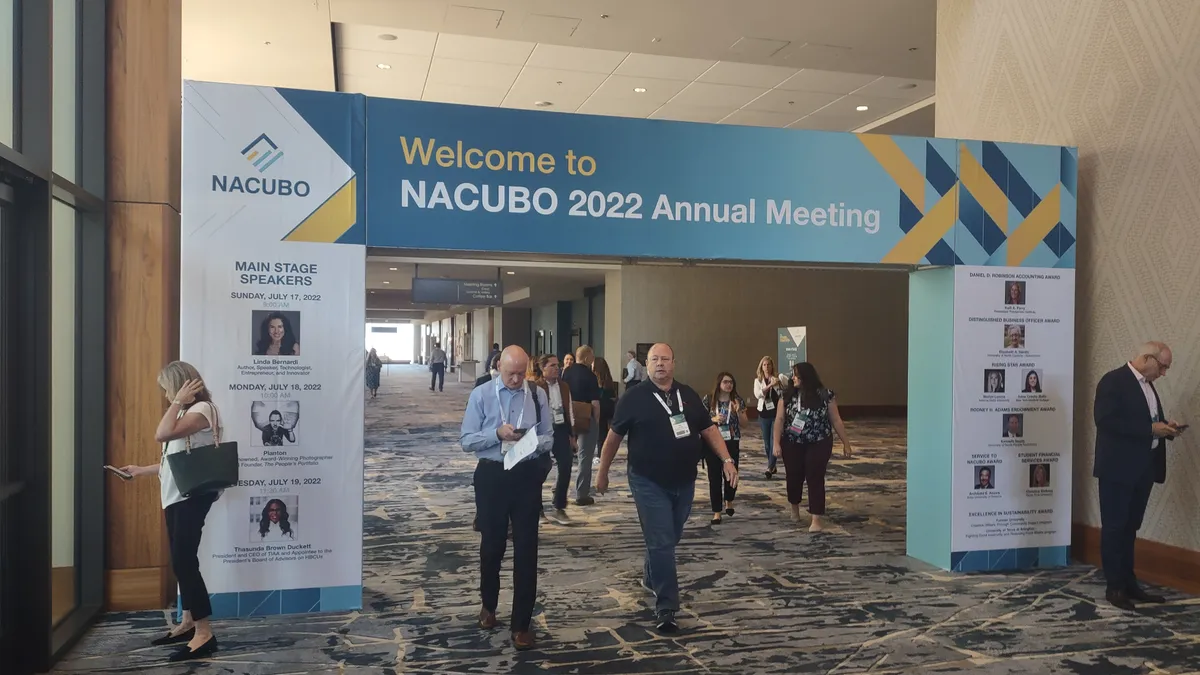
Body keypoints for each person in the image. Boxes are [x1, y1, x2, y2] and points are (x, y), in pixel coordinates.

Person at [596, 343, 738, 633]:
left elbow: (708, 429)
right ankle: (666, 606)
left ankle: (651, 575)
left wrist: (726, 459)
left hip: (684, 480)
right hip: (647, 480)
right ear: (646, 365)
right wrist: (602, 473)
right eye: (654, 360)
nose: (660, 364)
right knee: (661, 541)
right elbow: (613, 438)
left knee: (669, 536)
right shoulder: (633, 398)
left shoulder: (687, 395)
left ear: (674, 363)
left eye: (665, 359)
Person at [118, 361, 223, 661]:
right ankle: (189, 622)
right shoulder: (183, 413)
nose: (165, 395)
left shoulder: (202, 411)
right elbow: (173, 459)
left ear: (181, 386)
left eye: (167, 388)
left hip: (191, 497)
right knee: (180, 561)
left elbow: (161, 435)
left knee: (184, 560)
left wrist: (179, 400)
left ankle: (204, 632)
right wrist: (141, 470)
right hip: (176, 496)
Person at [459, 346, 554, 650]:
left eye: (520, 373)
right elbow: (466, 440)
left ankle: (522, 624)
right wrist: (497, 434)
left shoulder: (538, 395)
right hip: (492, 476)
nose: (515, 379)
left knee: (527, 550)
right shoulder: (482, 394)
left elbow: (550, 435)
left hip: (526, 476)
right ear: (498, 365)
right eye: (509, 372)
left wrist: (531, 441)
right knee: (492, 547)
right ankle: (489, 605)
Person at [1093, 341, 1185, 611]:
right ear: (1148, 358)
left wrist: (1166, 427)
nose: (1164, 374)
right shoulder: (1113, 381)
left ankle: (1129, 582)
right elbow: (1106, 420)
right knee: (1114, 528)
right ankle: (1115, 586)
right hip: (1117, 470)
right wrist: (1150, 430)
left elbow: (1147, 420)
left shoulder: (1147, 385)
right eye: (1164, 367)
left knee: (1130, 527)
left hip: (1143, 469)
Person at [772, 362, 851, 532]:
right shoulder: (786, 395)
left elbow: (836, 420)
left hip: (819, 441)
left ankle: (816, 518)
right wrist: (776, 443)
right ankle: (795, 507)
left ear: (806, 377)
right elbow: (779, 420)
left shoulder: (825, 395)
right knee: (794, 476)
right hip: (792, 443)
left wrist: (846, 443)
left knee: (815, 477)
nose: (793, 378)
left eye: (796, 375)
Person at [535, 354, 577, 522]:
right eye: (552, 365)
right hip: (542, 431)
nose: (556, 368)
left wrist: (572, 435)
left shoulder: (564, 386)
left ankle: (559, 506)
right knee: (540, 469)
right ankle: (537, 509)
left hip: (560, 429)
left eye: (557, 365)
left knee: (566, 465)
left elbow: (570, 410)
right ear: (543, 368)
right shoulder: (536, 388)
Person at [702, 372, 747, 524]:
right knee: (714, 476)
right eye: (726, 382)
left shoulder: (737, 400)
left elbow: (745, 423)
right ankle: (716, 511)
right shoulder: (709, 400)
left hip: (731, 441)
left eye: (731, 382)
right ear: (719, 384)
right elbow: (700, 420)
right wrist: (713, 419)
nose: (729, 385)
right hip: (713, 442)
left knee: (731, 474)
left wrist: (738, 412)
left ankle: (729, 500)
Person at [562, 345, 601, 506]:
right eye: (592, 356)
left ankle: (559, 491)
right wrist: (596, 420)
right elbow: (595, 403)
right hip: (585, 416)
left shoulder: (566, 373)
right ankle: (581, 493)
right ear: (586, 358)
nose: (593, 359)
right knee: (585, 456)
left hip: (567, 416)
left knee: (563, 456)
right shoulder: (590, 376)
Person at [753, 356, 783, 478]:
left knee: (773, 442)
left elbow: (781, 393)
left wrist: (776, 384)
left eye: (768, 365)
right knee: (766, 443)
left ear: (772, 366)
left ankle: (770, 467)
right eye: (764, 365)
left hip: (776, 415)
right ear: (761, 367)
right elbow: (758, 394)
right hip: (764, 414)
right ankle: (772, 465)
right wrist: (769, 385)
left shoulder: (777, 379)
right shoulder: (757, 381)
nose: (766, 367)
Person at [594, 357, 619, 448]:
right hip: (608, 410)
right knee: (604, 432)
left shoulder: (594, 380)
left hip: (599, 409)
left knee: (600, 433)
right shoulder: (608, 379)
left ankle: (600, 452)